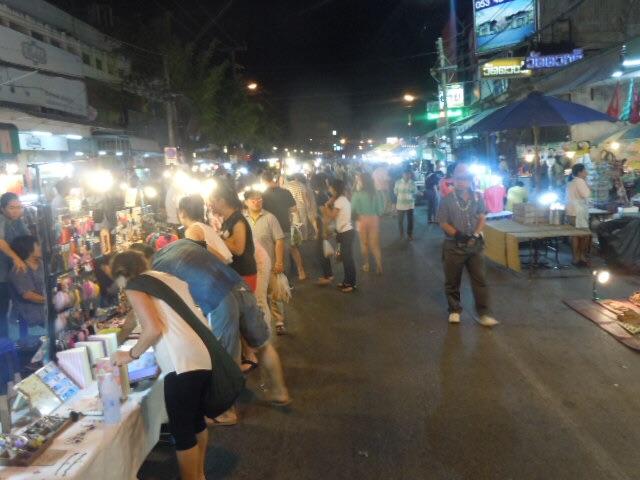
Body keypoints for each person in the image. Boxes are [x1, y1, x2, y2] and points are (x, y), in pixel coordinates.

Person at [152, 240, 290, 412]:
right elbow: (222, 257)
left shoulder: (156, 268)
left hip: (218, 298)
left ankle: (226, 412)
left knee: (224, 359)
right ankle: (280, 392)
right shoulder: (183, 243)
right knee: (262, 345)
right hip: (238, 285)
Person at [111, 250, 212, 480]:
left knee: (182, 430)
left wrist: (130, 355)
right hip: (200, 353)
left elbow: (153, 328)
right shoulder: (165, 278)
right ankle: (199, 475)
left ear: (121, 274)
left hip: (181, 363)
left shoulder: (136, 285)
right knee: (196, 421)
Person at [437, 164, 498, 328]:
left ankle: (484, 313)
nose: (461, 182)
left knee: (480, 279)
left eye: (465, 178)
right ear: (453, 179)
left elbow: (482, 216)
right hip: (453, 246)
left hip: (475, 246)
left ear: (470, 180)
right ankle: (454, 310)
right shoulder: (446, 200)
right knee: (452, 280)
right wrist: (458, 235)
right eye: (458, 178)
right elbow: (442, 222)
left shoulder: (478, 197)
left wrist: (475, 234)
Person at [243, 190, 288, 334]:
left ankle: (279, 321)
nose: (257, 202)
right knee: (258, 296)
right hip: (252, 266)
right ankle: (263, 323)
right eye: (253, 200)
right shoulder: (242, 220)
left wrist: (279, 262)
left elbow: (279, 240)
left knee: (274, 293)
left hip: (271, 264)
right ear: (246, 202)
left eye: (259, 199)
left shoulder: (270, 218)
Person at [209, 183, 258, 291]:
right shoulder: (228, 221)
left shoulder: (238, 220)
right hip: (235, 273)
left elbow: (238, 249)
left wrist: (217, 238)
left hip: (243, 274)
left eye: (213, 201)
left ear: (222, 201)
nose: (210, 204)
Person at [261, 171, 300, 279]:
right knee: (285, 254)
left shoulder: (263, 195)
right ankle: (286, 280)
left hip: (270, 228)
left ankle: (277, 280)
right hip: (284, 226)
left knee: (273, 255)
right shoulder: (285, 192)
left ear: (262, 181)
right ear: (273, 179)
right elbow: (294, 209)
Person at [0, 193, 28, 339]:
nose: (16, 211)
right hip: (2, 275)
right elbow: (1, 242)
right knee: (2, 310)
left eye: (19, 207)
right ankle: (4, 343)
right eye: (12, 208)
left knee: (22, 306)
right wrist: (16, 258)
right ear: (2, 208)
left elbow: (28, 240)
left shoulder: (18, 222)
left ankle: (24, 339)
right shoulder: (1, 220)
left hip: (15, 273)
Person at [178, 194, 233, 265]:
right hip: (225, 267)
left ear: (182, 213)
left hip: (218, 269)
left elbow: (201, 258)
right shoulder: (205, 227)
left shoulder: (192, 231)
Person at [8, 236, 44, 339]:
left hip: (45, 314)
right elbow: (28, 295)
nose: (40, 247)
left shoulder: (42, 264)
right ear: (28, 249)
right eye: (37, 245)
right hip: (31, 320)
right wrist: (50, 300)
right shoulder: (20, 269)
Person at [324, 179, 356, 293]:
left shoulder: (340, 200)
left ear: (335, 189)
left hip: (346, 233)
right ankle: (346, 281)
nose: (329, 189)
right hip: (344, 232)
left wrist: (326, 206)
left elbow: (332, 216)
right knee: (345, 258)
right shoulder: (342, 199)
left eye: (330, 187)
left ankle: (351, 284)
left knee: (348, 259)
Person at [351, 172, 384, 274]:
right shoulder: (376, 193)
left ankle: (366, 265)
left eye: (359, 180)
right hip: (374, 220)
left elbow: (352, 208)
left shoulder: (357, 194)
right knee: (374, 245)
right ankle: (379, 265)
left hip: (362, 220)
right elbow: (380, 210)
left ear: (363, 182)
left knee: (364, 244)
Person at [284, 174, 310, 280]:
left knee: (292, 245)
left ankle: (295, 269)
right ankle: (300, 269)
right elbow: (305, 198)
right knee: (295, 243)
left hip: (290, 215)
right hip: (300, 208)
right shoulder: (301, 185)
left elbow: (291, 208)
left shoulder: (285, 188)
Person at [566, 163, 592, 267]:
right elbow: (586, 194)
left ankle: (575, 258)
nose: (587, 173)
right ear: (580, 172)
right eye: (585, 171)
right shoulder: (580, 181)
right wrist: (587, 184)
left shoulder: (571, 182)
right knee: (584, 235)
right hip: (578, 212)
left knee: (575, 235)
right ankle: (581, 257)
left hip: (571, 211)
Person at [310, 174, 334, 286]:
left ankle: (327, 276)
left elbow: (325, 215)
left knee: (320, 252)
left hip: (322, 226)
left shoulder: (320, 196)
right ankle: (328, 275)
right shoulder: (324, 194)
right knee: (322, 251)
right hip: (322, 226)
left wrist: (324, 231)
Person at [394, 168, 417, 240]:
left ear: (410, 175)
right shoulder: (398, 182)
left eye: (409, 174)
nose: (407, 175)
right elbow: (395, 192)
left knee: (410, 221)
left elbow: (415, 192)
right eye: (406, 174)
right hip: (400, 205)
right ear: (402, 174)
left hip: (410, 205)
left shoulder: (412, 182)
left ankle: (409, 235)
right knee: (400, 221)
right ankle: (401, 234)